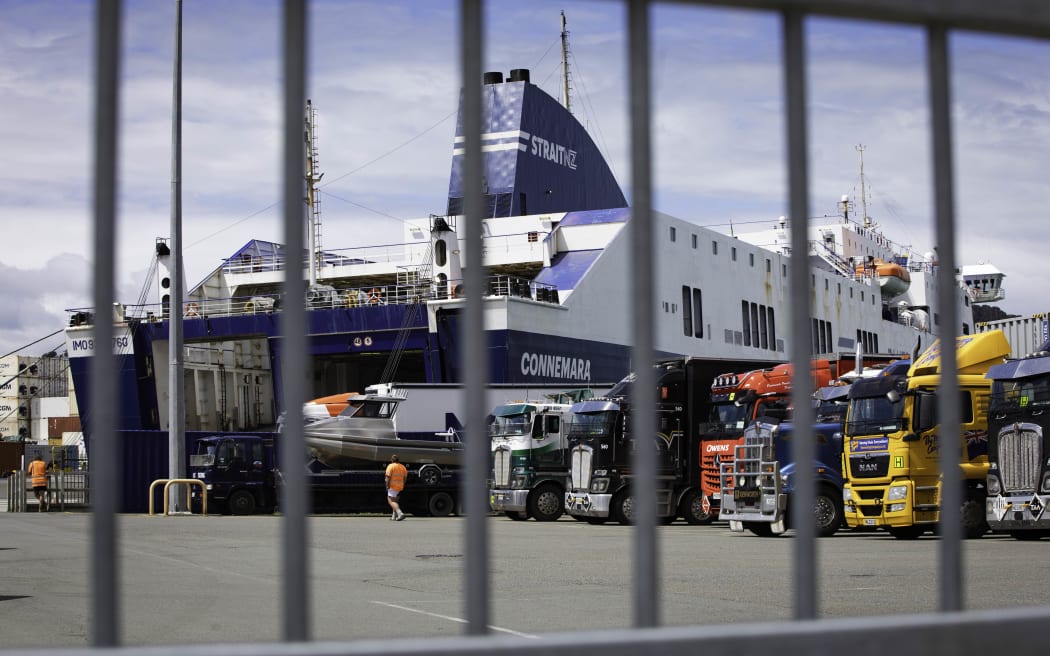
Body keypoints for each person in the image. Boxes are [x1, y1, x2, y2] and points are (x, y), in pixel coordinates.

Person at [385, 454, 407, 521]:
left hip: (392, 486)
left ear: (392, 460)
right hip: (400, 486)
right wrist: (402, 484)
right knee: (395, 501)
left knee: (390, 501)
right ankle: (394, 516)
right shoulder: (403, 467)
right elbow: (405, 477)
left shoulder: (390, 466)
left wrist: (387, 485)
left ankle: (400, 513)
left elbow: (387, 477)